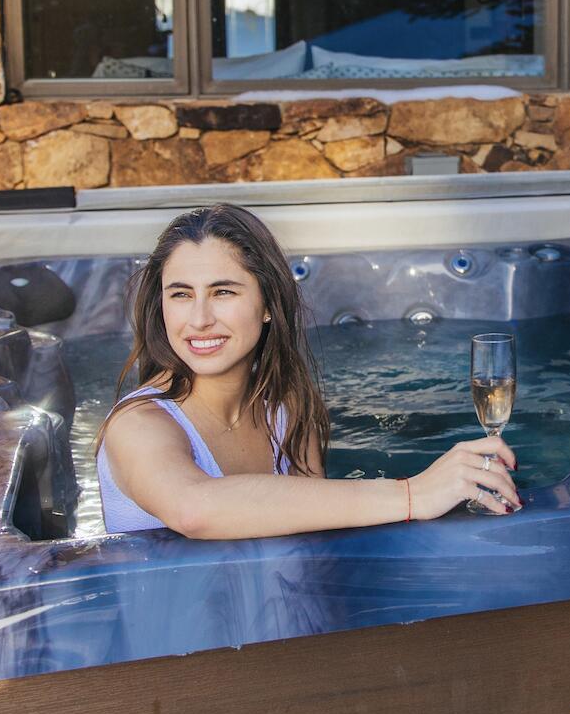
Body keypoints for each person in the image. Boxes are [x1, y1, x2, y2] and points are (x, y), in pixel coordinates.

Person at [96, 203, 520, 538]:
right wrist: (413, 494)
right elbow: (192, 508)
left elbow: (314, 542)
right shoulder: (138, 425)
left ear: (268, 305)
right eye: (181, 295)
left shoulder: (285, 408)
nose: (200, 319)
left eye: (223, 292)